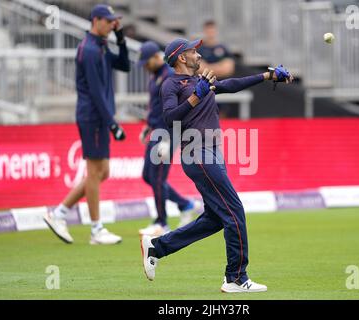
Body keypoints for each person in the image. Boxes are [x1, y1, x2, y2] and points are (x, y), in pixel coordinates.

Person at [140, 38, 293, 293]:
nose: (198, 54)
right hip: (197, 153)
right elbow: (169, 118)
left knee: (214, 219)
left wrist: (267, 76)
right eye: (193, 51)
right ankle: (235, 277)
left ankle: (158, 247)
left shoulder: (202, 82)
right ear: (181, 58)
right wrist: (195, 98)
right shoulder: (170, 84)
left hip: (211, 153)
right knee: (234, 212)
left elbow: (231, 85)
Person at [44, 4, 130, 245]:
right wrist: (112, 123)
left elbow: (125, 65)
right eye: (109, 21)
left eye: (115, 22)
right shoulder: (89, 50)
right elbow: (94, 91)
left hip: (99, 117)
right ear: (96, 21)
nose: (112, 25)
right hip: (93, 117)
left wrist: (120, 38)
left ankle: (59, 213)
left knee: (103, 172)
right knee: (94, 172)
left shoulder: (101, 46)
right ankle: (96, 230)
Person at [137, 41, 200, 237]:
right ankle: (185, 204)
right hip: (156, 130)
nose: (146, 67)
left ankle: (162, 223)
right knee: (148, 175)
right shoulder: (155, 76)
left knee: (157, 177)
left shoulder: (170, 75)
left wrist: (168, 139)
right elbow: (155, 105)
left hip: (168, 132)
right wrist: (148, 125)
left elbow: (175, 108)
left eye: (147, 62)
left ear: (156, 57)